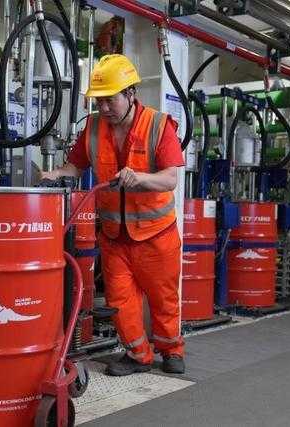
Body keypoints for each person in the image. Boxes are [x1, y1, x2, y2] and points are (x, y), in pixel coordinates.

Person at [40, 54, 185, 376]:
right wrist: (54, 174)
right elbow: (75, 167)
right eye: (99, 101)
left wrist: (141, 178)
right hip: (114, 236)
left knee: (163, 299)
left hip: (156, 235)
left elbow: (170, 179)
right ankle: (138, 355)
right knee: (121, 301)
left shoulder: (158, 125)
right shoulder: (92, 128)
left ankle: (172, 350)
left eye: (110, 100)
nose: (104, 108)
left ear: (131, 93)